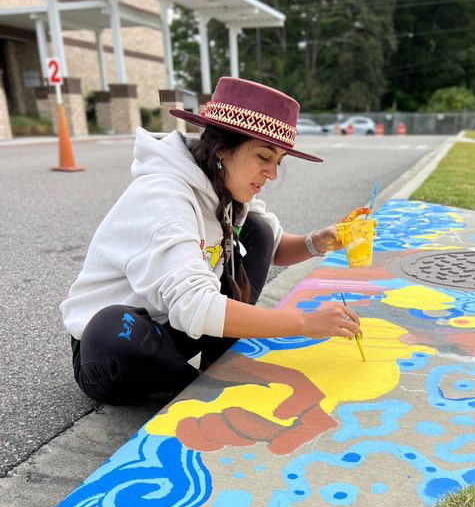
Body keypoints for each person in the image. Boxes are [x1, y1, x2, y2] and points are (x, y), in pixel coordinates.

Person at [60, 77, 365, 405]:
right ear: (221, 148)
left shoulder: (225, 185)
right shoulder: (164, 197)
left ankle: (216, 365)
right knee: (115, 331)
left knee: (259, 229)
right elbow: (195, 305)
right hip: (121, 346)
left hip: (175, 325)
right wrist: (304, 322)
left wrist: (318, 242)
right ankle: (200, 386)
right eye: (264, 157)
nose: (273, 173)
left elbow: (273, 248)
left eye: (278, 161)